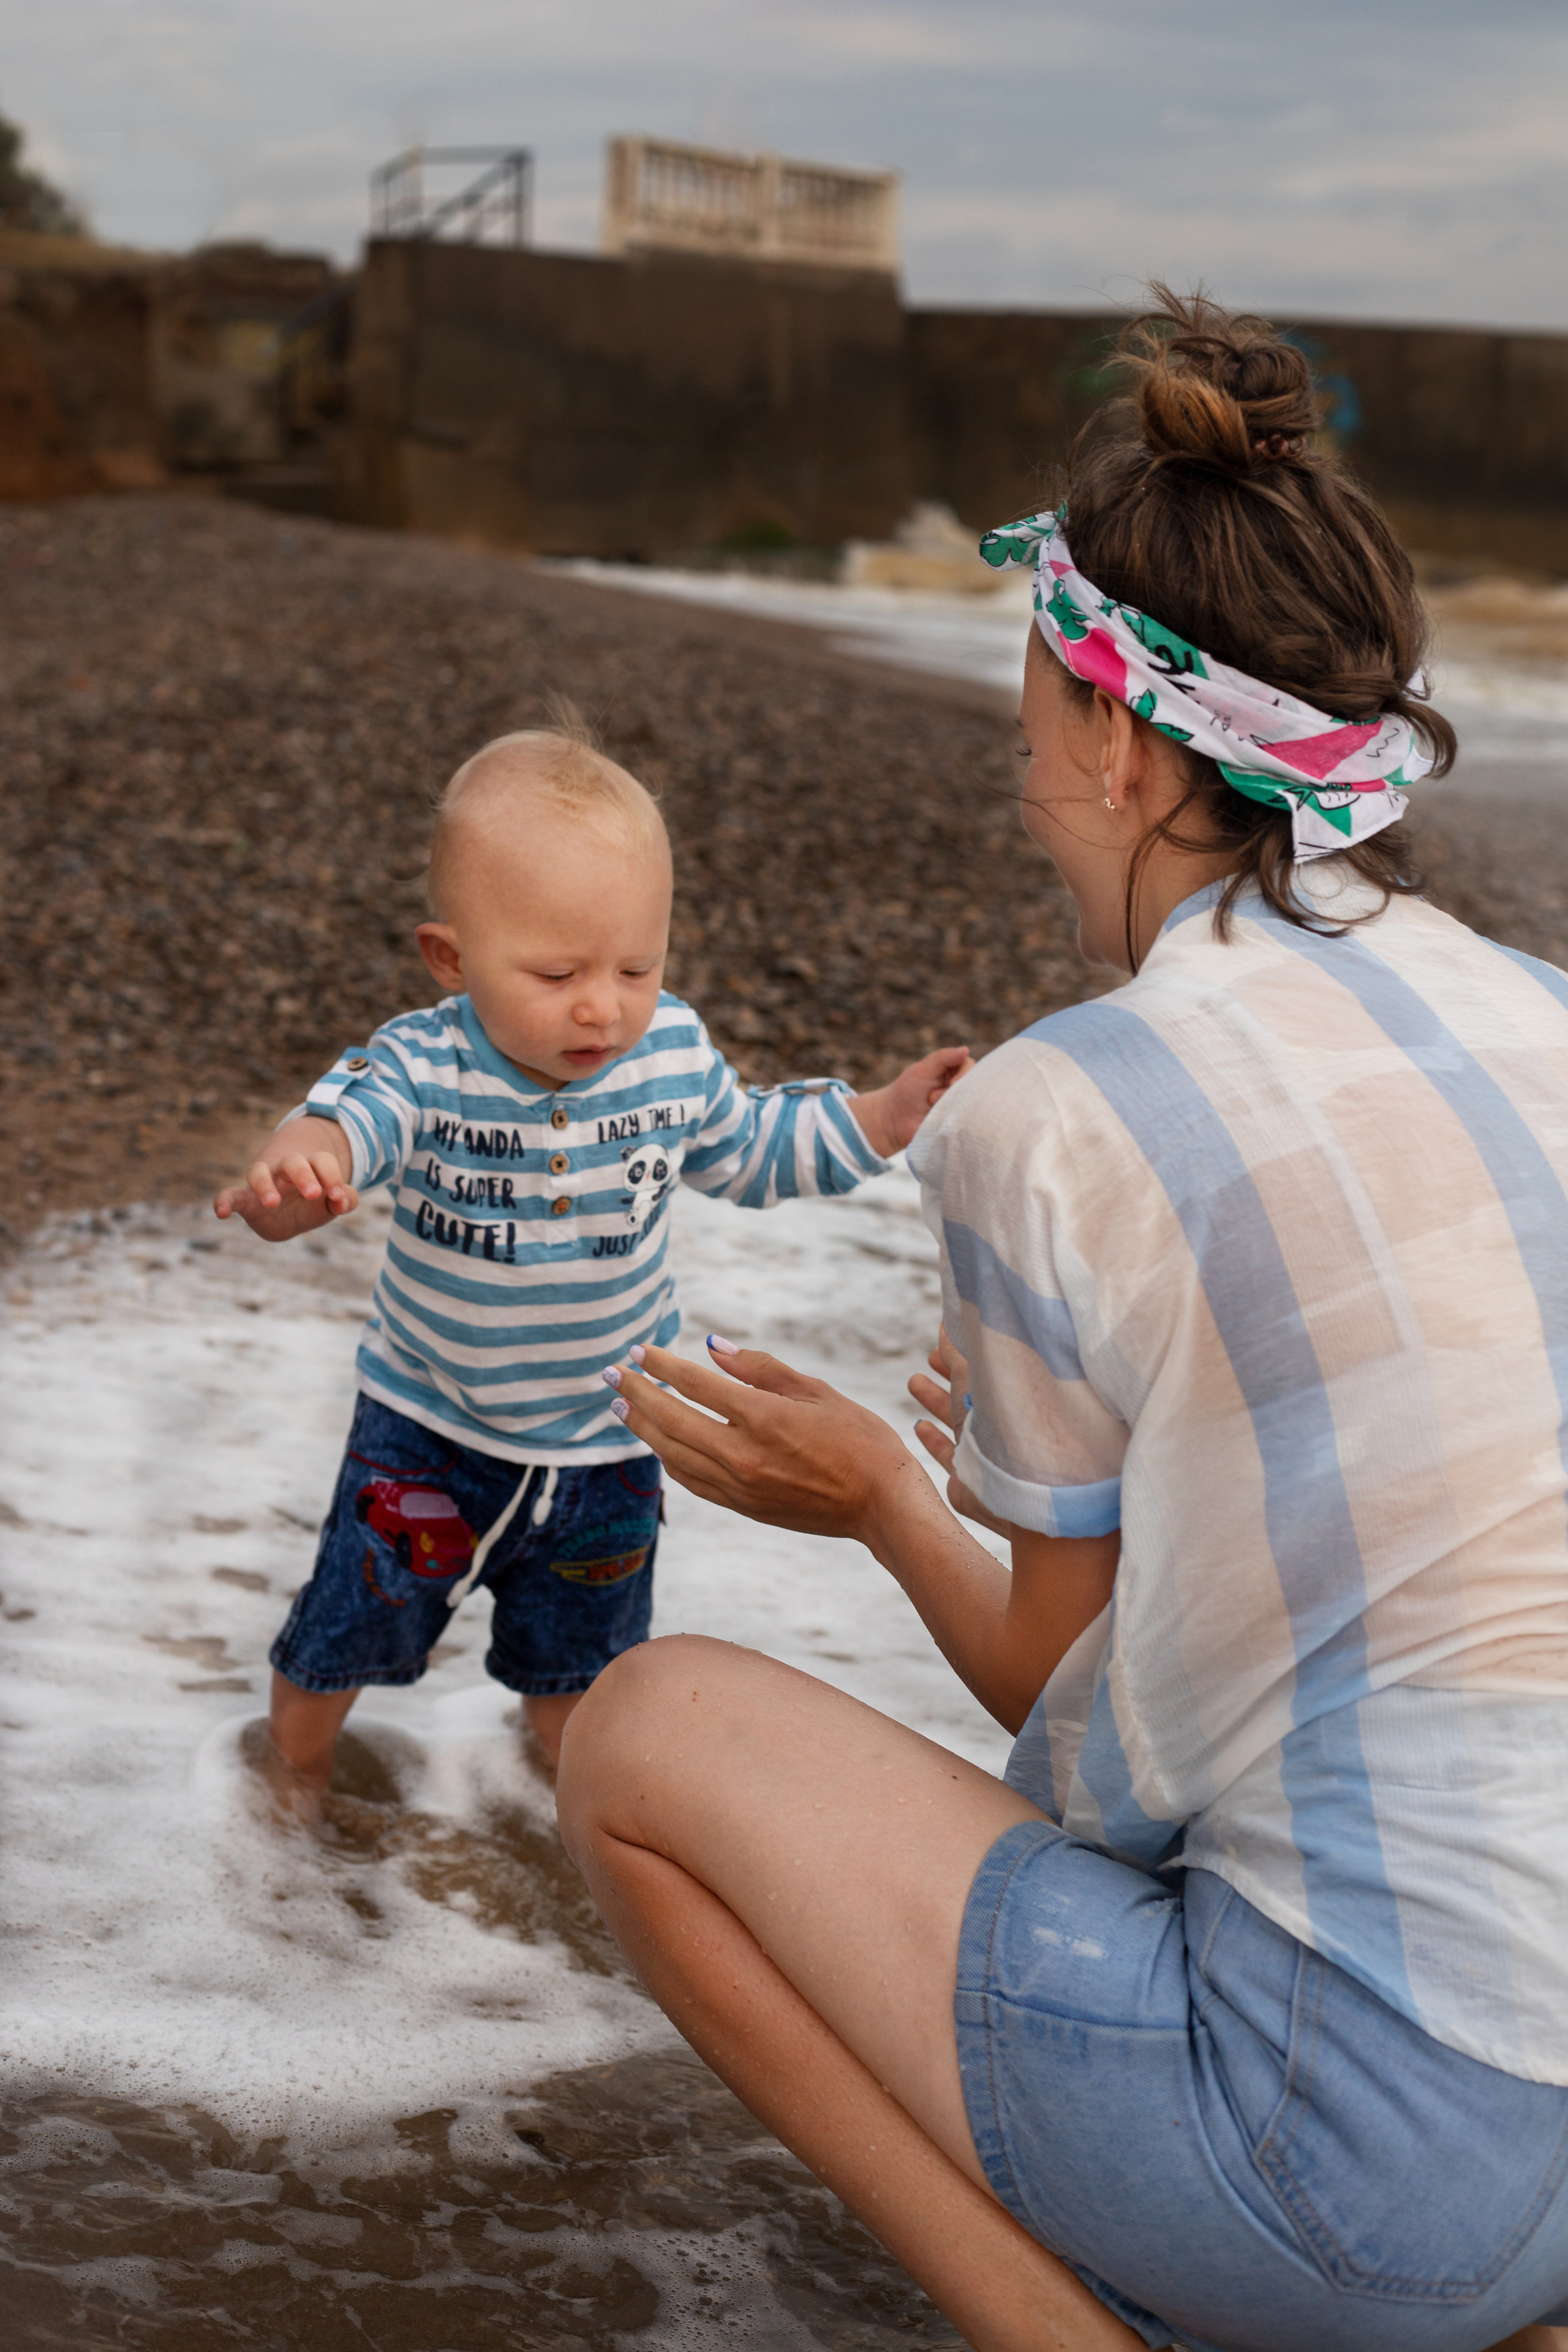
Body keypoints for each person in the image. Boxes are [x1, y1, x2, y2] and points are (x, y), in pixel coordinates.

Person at [558, 293, 1568, 2352]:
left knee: (643, 1737)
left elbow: (1067, 1693)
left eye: (1032, 715)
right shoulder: (1544, 1019)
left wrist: (874, 1500)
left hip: (1367, 2189)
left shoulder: (1056, 1110)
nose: (1020, 767)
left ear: (1115, 740)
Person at [213, 726, 970, 1804]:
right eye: (558, 972)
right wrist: (298, 1177)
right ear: (452, 957)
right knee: (351, 1622)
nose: (602, 1005)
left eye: (637, 966)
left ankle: (571, 1820)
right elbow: (346, 1127)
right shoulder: (428, 1065)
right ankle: (292, 1775)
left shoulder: (669, 1052)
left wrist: (878, 1116)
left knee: (584, 1668)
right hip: (431, 1431)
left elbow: (749, 1147)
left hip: (609, 1438)